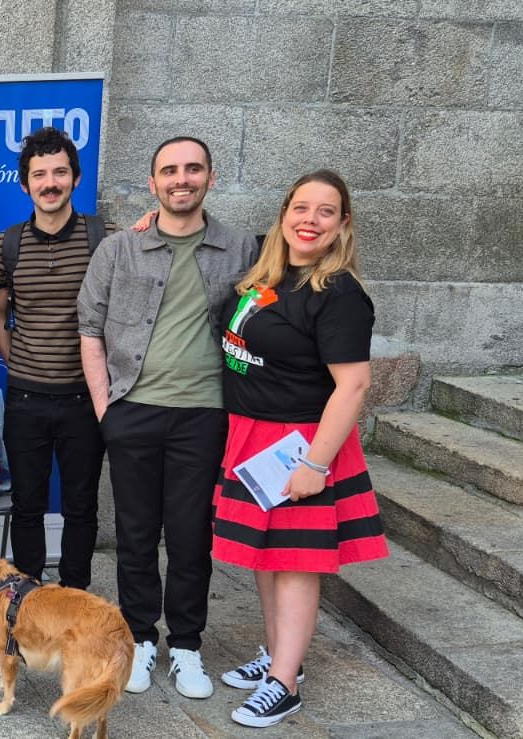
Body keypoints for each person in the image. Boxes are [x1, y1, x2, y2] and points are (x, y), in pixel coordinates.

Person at [76, 136, 259, 699]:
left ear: (210, 176)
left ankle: (186, 645)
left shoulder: (242, 249)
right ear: (152, 183)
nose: (182, 179)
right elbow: (90, 327)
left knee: (188, 537)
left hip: (204, 416)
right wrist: (107, 409)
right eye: (169, 171)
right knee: (133, 535)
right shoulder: (118, 249)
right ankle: (138, 639)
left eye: (193, 169)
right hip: (133, 411)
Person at [211, 170, 388, 727]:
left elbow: (353, 385)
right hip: (251, 435)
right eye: (301, 208)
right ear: (284, 215)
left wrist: (315, 463)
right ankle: (280, 657)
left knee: (294, 565)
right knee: (266, 559)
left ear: (343, 225)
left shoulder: (339, 294)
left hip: (299, 444)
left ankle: (284, 684)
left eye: (325, 211)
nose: (309, 220)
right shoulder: (271, 276)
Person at [0, 126, 112, 590]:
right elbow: (0, 314)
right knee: (27, 504)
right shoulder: (9, 244)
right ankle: (29, 594)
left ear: (75, 179)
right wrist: (20, 362)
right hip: (26, 399)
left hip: (87, 399)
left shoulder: (104, 237)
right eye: (39, 174)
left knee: (81, 506)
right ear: (25, 184)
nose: (50, 182)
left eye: (60, 172)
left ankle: (76, 594)